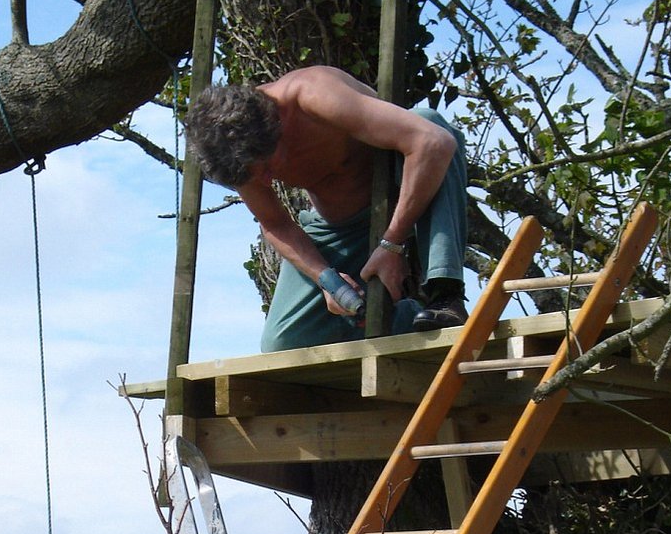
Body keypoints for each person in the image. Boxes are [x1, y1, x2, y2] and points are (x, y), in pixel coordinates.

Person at [184, 65, 468, 352]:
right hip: (341, 227)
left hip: (406, 194)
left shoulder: (312, 95)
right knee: (282, 343)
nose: (268, 181)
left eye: (268, 167)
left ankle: (445, 296)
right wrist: (327, 280)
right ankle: (406, 319)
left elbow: (433, 143)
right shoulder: (235, 155)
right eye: (255, 178)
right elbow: (275, 224)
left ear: (276, 127)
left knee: (428, 124)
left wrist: (391, 244)